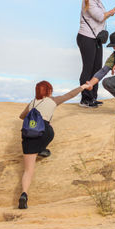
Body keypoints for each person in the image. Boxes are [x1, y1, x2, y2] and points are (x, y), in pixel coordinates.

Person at [17, 81, 87, 209]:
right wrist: (83, 86)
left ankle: (24, 194)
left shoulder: (32, 103)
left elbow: (22, 116)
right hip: (44, 132)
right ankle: (41, 149)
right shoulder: (53, 101)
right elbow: (70, 95)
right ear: (49, 91)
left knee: (28, 170)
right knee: (47, 132)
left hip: (28, 134)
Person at [77, 0, 115, 108]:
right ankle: (85, 99)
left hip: (95, 38)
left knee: (97, 68)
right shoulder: (88, 1)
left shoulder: (96, 1)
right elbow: (101, 16)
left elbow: (102, 15)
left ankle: (93, 97)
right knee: (88, 68)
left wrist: (109, 13)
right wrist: (113, 10)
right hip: (86, 37)